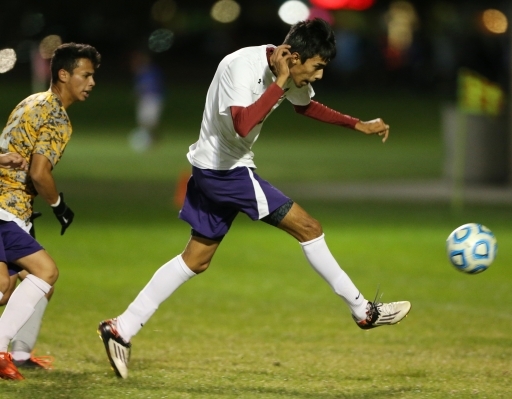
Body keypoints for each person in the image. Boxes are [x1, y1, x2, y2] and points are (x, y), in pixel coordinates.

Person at [98, 18, 411, 379]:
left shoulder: (288, 73)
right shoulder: (240, 66)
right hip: (225, 172)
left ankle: (121, 327)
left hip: (215, 168)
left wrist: (358, 124)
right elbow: (242, 124)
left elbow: (305, 106)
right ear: (293, 57)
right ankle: (364, 312)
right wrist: (278, 82)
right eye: (318, 67)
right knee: (310, 228)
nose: (319, 76)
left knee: (195, 260)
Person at [0, 42, 101, 380]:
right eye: (85, 75)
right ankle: (2, 351)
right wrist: (60, 206)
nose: (91, 82)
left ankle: (21, 353)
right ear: (63, 74)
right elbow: (40, 173)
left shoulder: (31, 101)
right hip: (6, 205)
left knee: (31, 282)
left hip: (12, 207)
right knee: (42, 274)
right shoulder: (57, 116)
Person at [128, 50, 164, 152]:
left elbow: (153, 86)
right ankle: (148, 141)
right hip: (145, 99)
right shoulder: (141, 72)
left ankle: (151, 141)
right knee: (144, 122)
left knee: (150, 122)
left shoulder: (152, 72)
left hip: (152, 98)